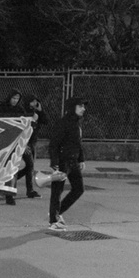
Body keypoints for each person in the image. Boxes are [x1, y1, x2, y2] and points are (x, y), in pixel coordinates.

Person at [47, 97, 87, 231]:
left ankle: (58, 212)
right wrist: (54, 163)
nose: (83, 109)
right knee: (57, 191)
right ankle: (53, 221)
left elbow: (78, 143)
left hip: (74, 161)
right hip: (63, 161)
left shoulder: (77, 123)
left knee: (79, 189)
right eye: (80, 106)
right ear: (72, 107)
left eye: (83, 106)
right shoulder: (63, 123)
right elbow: (53, 144)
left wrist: (81, 159)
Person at [0, 90, 30, 206]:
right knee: (1, 168)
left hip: (16, 142)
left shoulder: (20, 110)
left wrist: (24, 142)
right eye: (13, 98)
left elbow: (25, 127)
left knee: (14, 168)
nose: (15, 101)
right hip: (2, 142)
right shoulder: (1, 108)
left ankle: (9, 195)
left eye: (17, 99)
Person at [23, 96, 49, 199]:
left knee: (29, 167)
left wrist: (40, 110)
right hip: (25, 142)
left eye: (36, 101)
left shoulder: (37, 113)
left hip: (32, 142)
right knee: (29, 165)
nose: (35, 103)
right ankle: (29, 190)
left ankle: (28, 190)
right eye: (33, 101)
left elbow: (46, 121)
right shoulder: (25, 111)